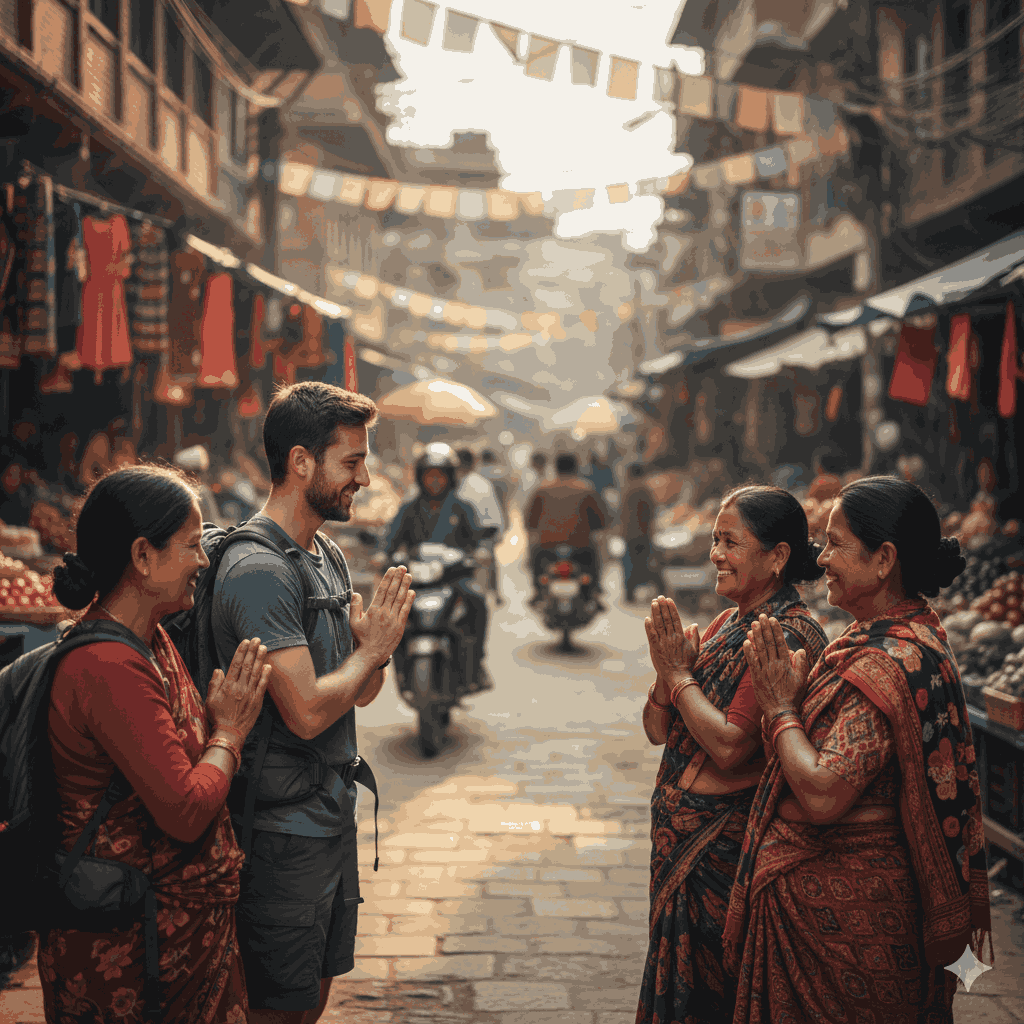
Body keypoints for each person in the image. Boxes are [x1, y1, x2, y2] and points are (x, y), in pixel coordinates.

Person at [723, 476, 991, 1024]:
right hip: (827, 914)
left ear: (884, 559)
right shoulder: (879, 642)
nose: (820, 559)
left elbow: (823, 794)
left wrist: (779, 709)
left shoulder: (888, 661)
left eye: (835, 544)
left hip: (852, 924)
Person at [209, 381, 414, 1024]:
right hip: (278, 830)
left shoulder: (324, 554)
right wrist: (368, 651)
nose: (365, 477)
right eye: (351, 462)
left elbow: (360, 693)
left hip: (329, 813)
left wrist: (372, 654)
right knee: (280, 1005)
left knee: (316, 993)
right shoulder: (259, 570)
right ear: (301, 462)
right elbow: (304, 712)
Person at [40, 465, 272, 1024]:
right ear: (143, 557)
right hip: (132, 948)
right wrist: (231, 732)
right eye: (192, 545)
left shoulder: (150, 638)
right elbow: (186, 811)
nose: (203, 560)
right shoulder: (108, 667)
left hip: (168, 930)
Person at [638, 485, 828, 1024]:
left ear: (778, 557)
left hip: (723, 848)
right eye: (716, 541)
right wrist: (665, 676)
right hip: (683, 847)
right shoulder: (725, 625)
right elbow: (656, 729)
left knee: (716, 996)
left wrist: (678, 677)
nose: (715, 554)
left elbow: (727, 745)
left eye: (731, 543)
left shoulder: (783, 636)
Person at [383, 444, 494, 691]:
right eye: (429, 475)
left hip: (454, 577)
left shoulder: (463, 507)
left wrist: (481, 551)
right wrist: (383, 554)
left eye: (440, 475)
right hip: (416, 579)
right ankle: (395, 664)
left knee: (477, 601)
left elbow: (477, 537)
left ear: (450, 477)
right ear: (421, 477)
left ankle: (476, 663)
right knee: (389, 611)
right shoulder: (409, 508)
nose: (434, 480)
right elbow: (391, 537)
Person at [524, 452, 607, 608]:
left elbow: (530, 520)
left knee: (535, 559)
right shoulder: (586, 489)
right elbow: (601, 520)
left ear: (555, 468)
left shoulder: (542, 489)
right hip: (580, 544)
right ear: (576, 468)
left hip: (547, 544)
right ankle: (594, 592)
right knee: (594, 558)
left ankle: (537, 593)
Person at [455, 447, 506, 605]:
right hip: (478, 537)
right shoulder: (482, 483)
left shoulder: (462, 484)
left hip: (474, 539)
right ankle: (495, 593)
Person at [620, 463, 661, 605]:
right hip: (642, 533)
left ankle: (629, 595)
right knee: (644, 563)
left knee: (631, 564)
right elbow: (651, 511)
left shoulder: (629, 489)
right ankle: (658, 591)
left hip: (631, 534)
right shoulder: (643, 489)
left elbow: (624, 514)